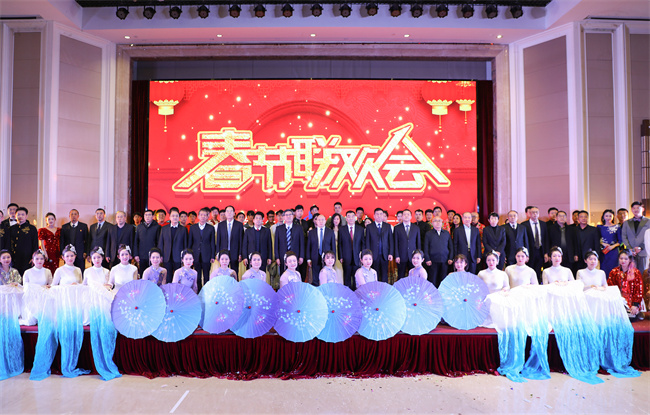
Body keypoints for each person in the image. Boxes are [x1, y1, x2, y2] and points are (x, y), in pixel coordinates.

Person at [608, 250, 645, 320]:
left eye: (626, 259)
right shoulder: (614, 272)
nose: (623, 261)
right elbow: (610, 288)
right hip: (617, 301)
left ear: (630, 259)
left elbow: (639, 290)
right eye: (621, 258)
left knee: (630, 317)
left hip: (632, 302)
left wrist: (635, 305)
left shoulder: (636, 272)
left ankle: (637, 312)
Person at [157, 207, 187, 283]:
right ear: (170, 217)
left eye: (176, 216)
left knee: (178, 278)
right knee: (167, 277)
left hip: (178, 257)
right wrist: (160, 256)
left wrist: (184, 257)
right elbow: (161, 243)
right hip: (167, 257)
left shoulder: (183, 229)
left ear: (179, 217)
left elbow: (185, 245)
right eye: (173, 216)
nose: (175, 217)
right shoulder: (164, 228)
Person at [189, 207, 216, 289]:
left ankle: (206, 291)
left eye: (205, 215)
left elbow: (212, 243)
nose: (203, 216)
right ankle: (199, 291)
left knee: (206, 275)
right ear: (198, 216)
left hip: (207, 255)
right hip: (195, 255)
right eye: (201, 215)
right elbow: (190, 242)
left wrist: (212, 256)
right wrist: (189, 255)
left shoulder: (211, 228)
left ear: (208, 216)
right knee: (197, 275)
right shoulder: (193, 227)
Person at [7, 207, 39, 276]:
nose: (20, 216)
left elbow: (35, 243)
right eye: (18, 214)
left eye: (22, 214)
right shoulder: (11, 228)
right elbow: (8, 243)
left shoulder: (32, 228)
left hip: (27, 257)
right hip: (14, 257)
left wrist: (34, 257)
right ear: (15, 215)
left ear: (26, 216)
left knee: (26, 276)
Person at [364, 208, 393, 283]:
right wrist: (368, 255)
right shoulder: (369, 227)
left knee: (384, 275)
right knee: (374, 274)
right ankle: (375, 289)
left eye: (381, 214)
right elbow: (367, 241)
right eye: (377, 214)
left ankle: (384, 289)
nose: (379, 216)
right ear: (374, 216)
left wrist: (390, 253)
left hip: (385, 255)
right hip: (373, 255)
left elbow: (390, 241)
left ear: (383, 215)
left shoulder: (388, 226)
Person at [274, 208, 305, 277]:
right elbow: (276, 244)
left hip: (295, 256)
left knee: (295, 275)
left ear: (293, 216)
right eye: (286, 215)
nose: (288, 216)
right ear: (284, 217)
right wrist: (277, 257)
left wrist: (301, 256)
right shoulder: (279, 229)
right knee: (283, 275)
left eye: (290, 215)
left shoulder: (299, 228)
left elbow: (302, 243)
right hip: (282, 256)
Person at [306, 213, 336, 286]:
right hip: (315, 257)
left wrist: (333, 258)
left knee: (327, 277)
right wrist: (308, 259)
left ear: (325, 221)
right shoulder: (311, 232)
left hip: (327, 259)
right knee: (315, 278)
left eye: (322, 220)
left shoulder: (330, 232)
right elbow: (309, 246)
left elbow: (333, 246)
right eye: (319, 220)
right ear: (316, 221)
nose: (321, 221)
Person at [424, 216, 453, 287]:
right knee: (433, 279)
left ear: (442, 223)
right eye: (435, 221)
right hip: (432, 261)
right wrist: (427, 259)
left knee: (443, 279)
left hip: (445, 260)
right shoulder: (428, 234)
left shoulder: (446, 233)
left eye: (439, 221)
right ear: (432, 223)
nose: (437, 222)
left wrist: (450, 258)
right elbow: (426, 247)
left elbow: (451, 247)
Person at [521, 206, 548, 282]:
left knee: (538, 271)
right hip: (530, 251)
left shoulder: (543, 224)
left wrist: (546, 253)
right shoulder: (524, 225)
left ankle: (537, 284)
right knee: (529, 270)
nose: (535, 214)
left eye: (537, 212)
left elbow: (546, 239)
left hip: (540, 251)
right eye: (533, 212)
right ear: (529, 214)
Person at [338, 210, 364, 290]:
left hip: (357, 258)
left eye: (352, 216)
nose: (351, 218)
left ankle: (357, 293)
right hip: (346, 257)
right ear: (346, 218)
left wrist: (362, 257)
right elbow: (340, 244)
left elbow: (363, 243)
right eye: (349, 216)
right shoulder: (342, 229)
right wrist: (340, 257)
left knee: (357, 277)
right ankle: (348, 294)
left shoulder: (360, 229)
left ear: (355, 218)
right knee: (347, 278)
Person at [621, 201, 650, 273]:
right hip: (630, 252)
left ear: (643, 209)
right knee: (630, 273)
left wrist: (641, 247)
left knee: (643, 272)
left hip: (643, 252)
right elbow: (624, 236)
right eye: (634, 208)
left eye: (638, 208)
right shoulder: (626, 223)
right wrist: (630, 248)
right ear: (631, 210)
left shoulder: (648, 221)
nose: (636, 209)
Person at [215, 205, 243, 276]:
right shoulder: (220, 225)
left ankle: (235, 283)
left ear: (234, 213)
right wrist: (218, 253)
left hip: (235, 252)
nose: (229, 213)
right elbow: (218, 240)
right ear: (225, 213)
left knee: (234, 271)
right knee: (223, 272)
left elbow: (241, 240)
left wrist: (240, 253)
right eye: (227, 211)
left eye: (231, 211)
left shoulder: (239, 225)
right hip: (223, 252)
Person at [394, 209, 421, 280]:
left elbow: (418, 243)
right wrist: (397, 255)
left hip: (413, 257)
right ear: (402, 216)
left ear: (411, 217)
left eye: (408, 214)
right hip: (401, 256)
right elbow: (395, 243)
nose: (406, 216)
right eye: (404, 214)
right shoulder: (397, 228)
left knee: (413, 276)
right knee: (401, 275)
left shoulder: (416, 228)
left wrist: (418, 256)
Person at [134, 209, 161, 278]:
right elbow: (136, 241)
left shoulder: (157, 227)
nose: (147, 217)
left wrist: (159, 255)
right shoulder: (140, 227)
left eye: (149, 215)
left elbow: (159, 242)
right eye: (146, 215)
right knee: (143, 274)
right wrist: (136, 254)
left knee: (153, 275)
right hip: (142, 255)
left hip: (153, 257)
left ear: (153, 216)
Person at [597, 209, 621, 278]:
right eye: (606, 216)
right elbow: (596, 239)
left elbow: (620, 241)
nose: (608, 217)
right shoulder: (599, 227)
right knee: (604, 268)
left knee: (614, 269)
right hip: (604, 251)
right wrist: (603, 244)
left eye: (610, 216)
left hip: (614, 251)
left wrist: (612, 246)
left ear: (613, 217)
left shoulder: (617, 227)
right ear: (603, 217)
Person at [328, 213, 345, 284]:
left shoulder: (343, 229)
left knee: (339, 268)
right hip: (332, 250)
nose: (336, 220)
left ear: (340, 220)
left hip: (340, 250)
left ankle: (339, 284)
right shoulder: (329, 230)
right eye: (334, 219)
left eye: (337, 219)